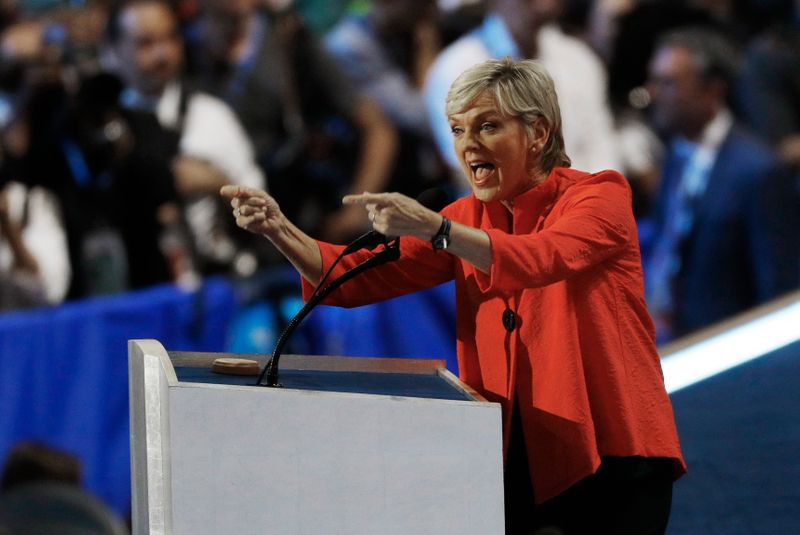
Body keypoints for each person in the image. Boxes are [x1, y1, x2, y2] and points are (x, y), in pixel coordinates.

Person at [222, 58, 685, 534]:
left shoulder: (598, 196)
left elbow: (540, 257)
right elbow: (353, 278)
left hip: (613, 452)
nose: (469, 145)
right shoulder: (465, 217)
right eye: (458, 130)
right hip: (518, 458)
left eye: (488, 126)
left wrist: (437, 227)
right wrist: (279, 229)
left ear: (539, 133)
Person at [644, 27, 800, 343]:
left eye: (668, 83)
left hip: (730, 355)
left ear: (712, 90)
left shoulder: (758, 172)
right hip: (676, 342)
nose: (653, 94)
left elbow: (779, 291)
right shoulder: (677, 156)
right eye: (653, 80)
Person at [108, 0, 266, 277]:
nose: (162, 53)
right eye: (145, 43)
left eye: (170, 38)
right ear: (113, 51)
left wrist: (217, 184)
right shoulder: (103, 130)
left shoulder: (210, 115)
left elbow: (265, 217)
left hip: (222, 282)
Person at [423, 0, 621, 193]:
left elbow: (602, 154)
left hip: (584, 212)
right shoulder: (456, 68)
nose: (544, 5)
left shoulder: (579, 59)